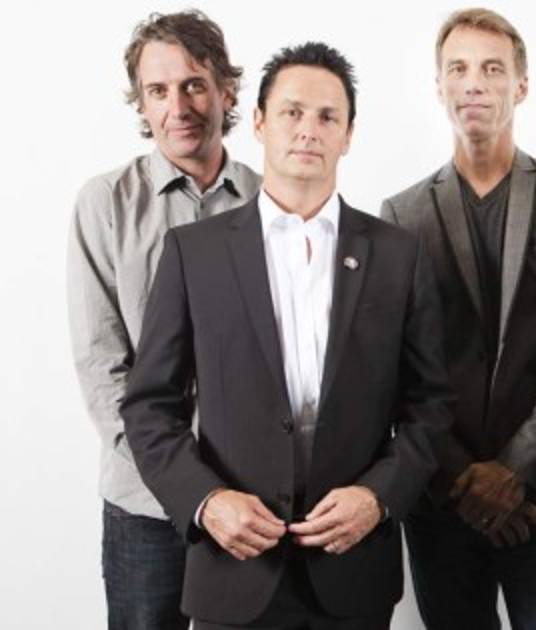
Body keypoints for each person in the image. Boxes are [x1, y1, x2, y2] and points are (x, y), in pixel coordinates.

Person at [120, 42, 452, 629]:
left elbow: (430, 407)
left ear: (348, 135)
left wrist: (378, 497)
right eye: (292, 112)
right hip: (234, 566)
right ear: (258, 122)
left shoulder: (398, 255)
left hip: (353, 568)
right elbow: (149, 406)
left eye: (327, 117)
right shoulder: (195, 253)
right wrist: (206, 502)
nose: (308, 131)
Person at [381, 8, 536, 629]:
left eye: (491, 69)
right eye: (458, 69)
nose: (474, 84)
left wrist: (515, 469)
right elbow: (400, 363)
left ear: (522, 85)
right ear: (439, 88)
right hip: (443, 491)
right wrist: (465, 477)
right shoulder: (401, 214)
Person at [67, 11, 259, 628]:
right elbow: (102, 364)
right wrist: (186, 487)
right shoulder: (106, 204)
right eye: (158, 90)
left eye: (194, 85)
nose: (178, 107)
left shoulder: (272, 201)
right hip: (145, 505)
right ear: (142, 103)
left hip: (252, 503)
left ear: (227, 90)